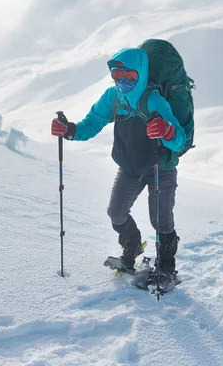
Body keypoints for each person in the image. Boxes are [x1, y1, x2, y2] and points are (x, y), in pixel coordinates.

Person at [51, 47, 187, 285]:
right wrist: (70, 130)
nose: (123, 81)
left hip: (160, 167)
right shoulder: (112, 97)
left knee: (160, 221)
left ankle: (167, 268)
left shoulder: (154, 100)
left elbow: (180, 140)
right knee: (116, 212)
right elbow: (92, 122)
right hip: (129, 167)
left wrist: (166, 130)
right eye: (117, 75)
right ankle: (132, 247)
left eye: (130, 76)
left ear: (142, 74)